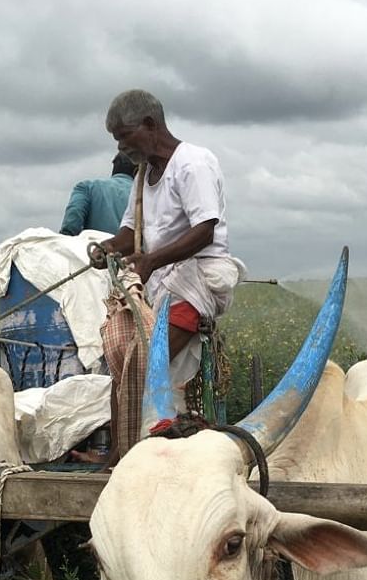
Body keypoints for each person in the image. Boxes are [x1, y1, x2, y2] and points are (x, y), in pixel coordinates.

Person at [79, 90, 244, 465]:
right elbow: (128, 234)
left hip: (196, 283)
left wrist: (151, 262)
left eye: (125, 135)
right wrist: (106, 249)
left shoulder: (193, 163)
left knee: (144, 363)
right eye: (116, 139)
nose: (121, 146)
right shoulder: (141, 177)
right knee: (122, 361)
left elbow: (204, 229)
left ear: (151, 125)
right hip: (161, 287)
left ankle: (138, 455)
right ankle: (123, 452)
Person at [59, 153, 136, 236]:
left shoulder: (87, 187)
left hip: (94, 247)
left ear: (114, 166)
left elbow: (72, 219)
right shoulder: (142, 195)